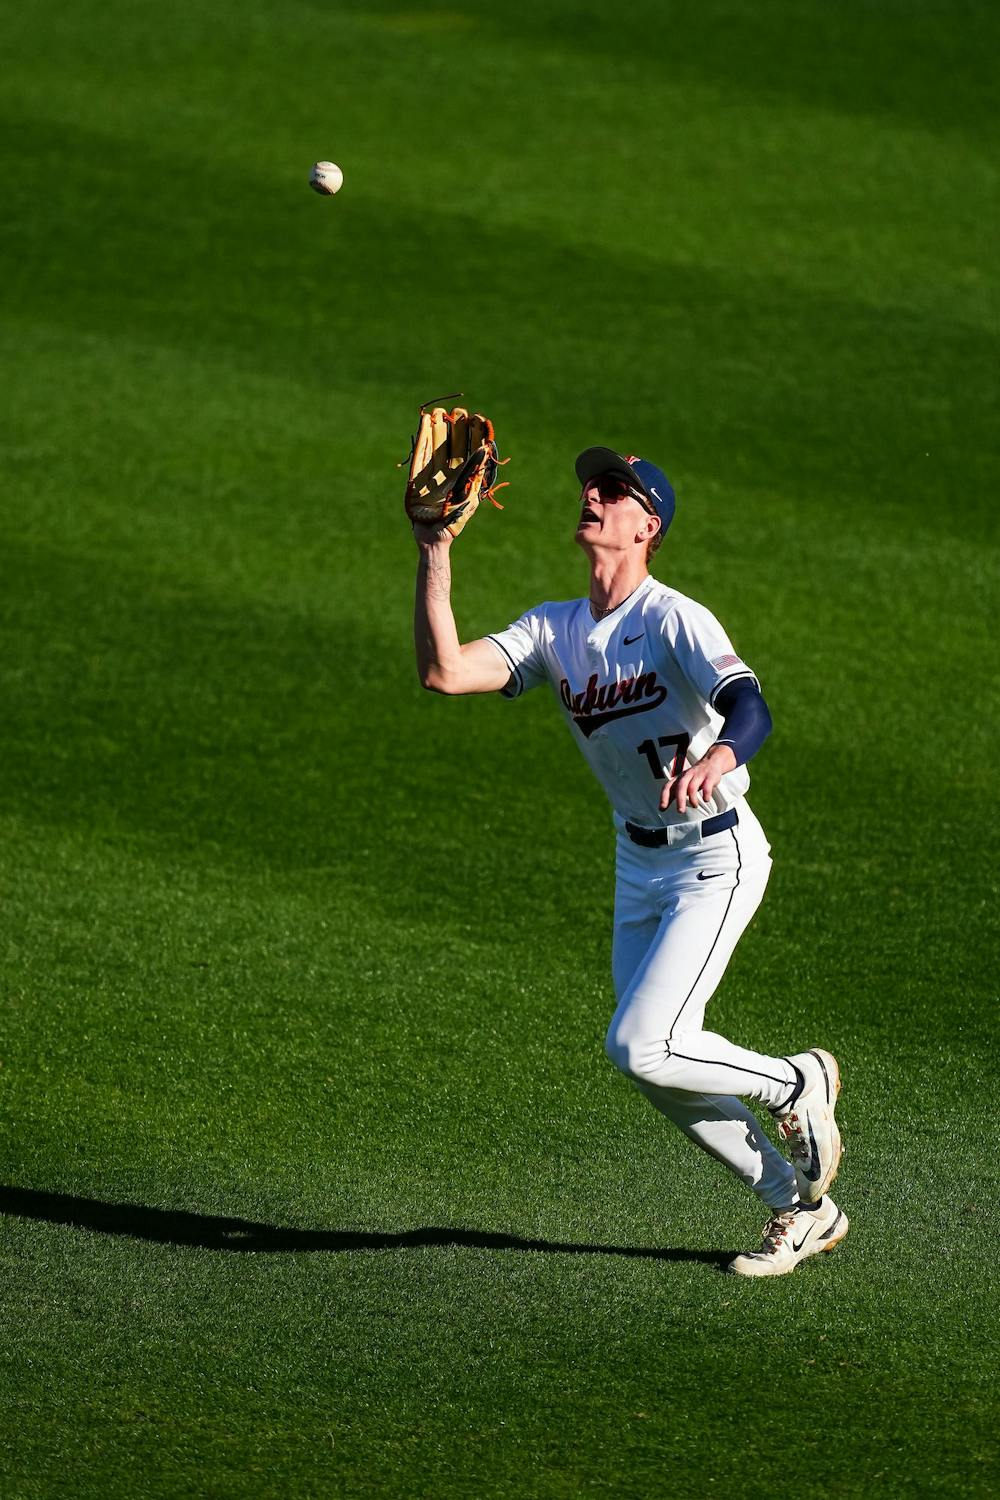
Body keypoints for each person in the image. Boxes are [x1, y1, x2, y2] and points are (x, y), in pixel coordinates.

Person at [411, 447, 847, 1276]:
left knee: (642, 1043)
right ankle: (799, 1207)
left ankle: (794, 1082)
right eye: (591, 485)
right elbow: (445, 672)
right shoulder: (554, 628)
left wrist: (719, 760)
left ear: (648, 525)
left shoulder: (676, 616)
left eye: (613, 491)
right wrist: (435, 552)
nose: (593, 495)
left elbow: (748, 707)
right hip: (638, 866)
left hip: (715, 856)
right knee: (656, 1066)